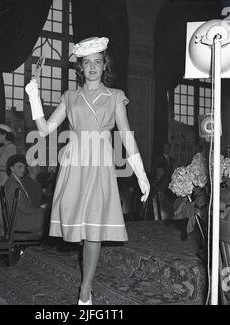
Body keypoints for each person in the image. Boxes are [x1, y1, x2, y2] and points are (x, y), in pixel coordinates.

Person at [25, 36, 150, 305]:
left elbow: (126, 135)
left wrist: (140, 173)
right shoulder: (70, 97)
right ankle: (86, 273)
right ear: (80, 67)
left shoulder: (115, 96)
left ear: (105, 65)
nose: (92, 66)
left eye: (97, 61)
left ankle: (85, 288)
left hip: (100, 161)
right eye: (87, 62)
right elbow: (45, 129)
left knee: (93, 229)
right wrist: (34, 93)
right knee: (77, 225)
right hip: (74, 161)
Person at [4, 154, 45, 238]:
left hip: (18, 219)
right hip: (20, 222)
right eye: (19, 167)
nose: (23, 170)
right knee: (47, 218)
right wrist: (43, 209)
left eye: (24, 167)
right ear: (12, 168)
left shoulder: (14, 181)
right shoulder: (14, 184)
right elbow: (25, 209)